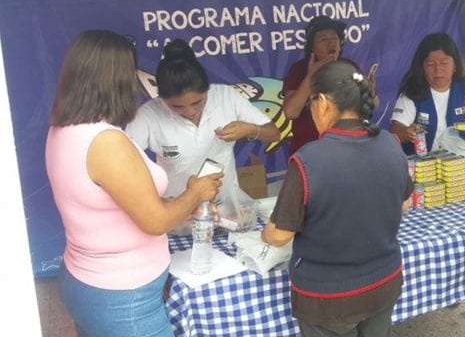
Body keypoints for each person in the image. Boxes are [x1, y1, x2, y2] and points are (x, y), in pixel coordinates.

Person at [45, 30, 223, 336]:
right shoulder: (105, 141)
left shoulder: (63, 129)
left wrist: (180, 207)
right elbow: (154, 221)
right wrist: (194, 194)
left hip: (89, 282)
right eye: (129, 72)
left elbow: (118, 206)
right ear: (116, 79)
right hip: (122, 297)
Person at [262, 61, 412, 337]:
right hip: (383, 283)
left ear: (323, 102)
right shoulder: (391, 143)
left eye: (311, 103)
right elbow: (404, 203)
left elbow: (279, 235)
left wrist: (264, 234)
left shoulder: (309, 160)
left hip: (329, 298)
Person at [125, 39, 280, 231]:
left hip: (226, 209)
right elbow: (125, 166)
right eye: (177, 106)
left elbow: (274, 133)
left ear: (208, 90)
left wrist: (249, 129)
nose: (190, 111)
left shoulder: (226, 97)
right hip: (178, 213)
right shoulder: (148, 115)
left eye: (198, 102)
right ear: (161, 99)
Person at [390, 32, 465, 154]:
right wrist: (407, 132)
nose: (438, 70)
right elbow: (395, 130)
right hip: (423, 166)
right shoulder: (412, 91)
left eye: (444, 63)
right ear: (421, 67)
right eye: (431, 64)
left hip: (461, 163)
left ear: (455, 65)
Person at [282, 15, 366, 156]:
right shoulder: (299, 69)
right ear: (312, 47)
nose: (331, 43)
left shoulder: (349, 67)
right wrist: (311, 76)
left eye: (334, 38)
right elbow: (290, 112)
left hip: (348, 148)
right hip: (310, 153)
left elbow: (371, 104)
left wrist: (370, 91)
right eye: (323, 39)